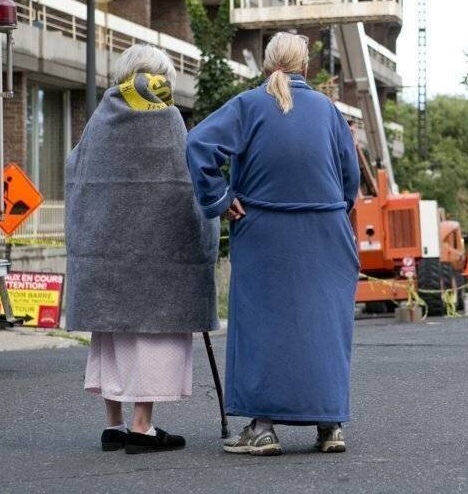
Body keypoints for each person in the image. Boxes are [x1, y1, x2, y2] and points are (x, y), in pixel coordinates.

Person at [186, 32, 359, 456]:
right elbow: (350, 177)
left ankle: (262, 428)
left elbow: (197, 144)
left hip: (265, 229)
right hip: (325, 229)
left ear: (267, 65)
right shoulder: (327, 110)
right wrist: (331, 208)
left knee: (263, 325)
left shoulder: (249, 105)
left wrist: (220, 199)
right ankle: (329, 425)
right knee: (324, 325)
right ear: (305, 66)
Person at [65, 45, 220, 454]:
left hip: (105, 254)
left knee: (111, 336)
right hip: (158, 259)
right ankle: (142, 426)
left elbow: (74, 170)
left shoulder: (101, 118)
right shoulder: (166, 117)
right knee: (153, 337)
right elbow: (187, 181)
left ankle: (113, 426)